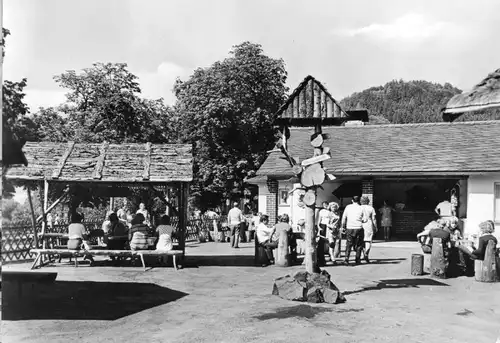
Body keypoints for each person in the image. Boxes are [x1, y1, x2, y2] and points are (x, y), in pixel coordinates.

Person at [341, 196, 367, 265]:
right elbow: (365, 219)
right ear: (359, 201)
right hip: (358, 227)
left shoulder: (348, 207)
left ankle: (346, 259)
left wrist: (343, 226)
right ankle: (357, 259)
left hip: (349, 227)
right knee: (359, 244)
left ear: (352, 200)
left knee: (349, 244)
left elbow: (344, 218)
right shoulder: (361, 208)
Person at [360, 196, 377, 263]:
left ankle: (361, 254)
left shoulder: (359, 207)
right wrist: (375, 226)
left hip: (360, 224)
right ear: (368, 201)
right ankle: (367, 252)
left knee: (361, 240)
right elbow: (374, 218)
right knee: (368, 240)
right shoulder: (371, 208)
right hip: (368, 224)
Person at [316, 201, 331, 266]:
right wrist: (319, 227)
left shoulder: (330, 211)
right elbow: (319, 219)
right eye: (324, 205)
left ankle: (331, 255)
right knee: (322, 241)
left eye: (326, 205)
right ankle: (321, 258)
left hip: (329, 226)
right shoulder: (321, 211)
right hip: (323, 225)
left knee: (329, 241)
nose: (325, 206)